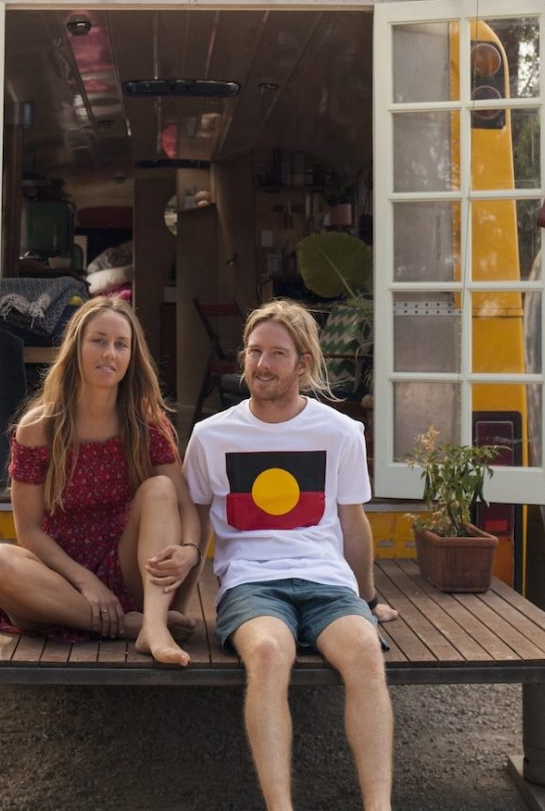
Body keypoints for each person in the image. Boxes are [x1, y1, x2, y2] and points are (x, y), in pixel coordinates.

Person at [183, 298, 399, 810]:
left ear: (303, 363)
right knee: (267, 653)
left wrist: (368, 598)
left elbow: (352, 523)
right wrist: (177, 596)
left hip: (326, 580)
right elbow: (193, 518)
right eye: (254, 351)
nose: (262, 364)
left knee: (366, 653)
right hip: (250, 582)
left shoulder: (341, 433)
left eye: (277, 354)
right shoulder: (211, 435)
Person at [0, 295, 202, 667]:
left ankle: (154, 622)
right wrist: (85, 582)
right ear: (76, 347)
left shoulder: (147, 424)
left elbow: (183, 506)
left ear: (132, 356)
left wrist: (190, 551)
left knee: (160, 489)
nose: (109, 353)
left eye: (121, 344)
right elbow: (29, 532)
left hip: (129, 568)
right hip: (58, 578)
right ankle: (135, 627)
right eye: (98, 340)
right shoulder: (37, 429)